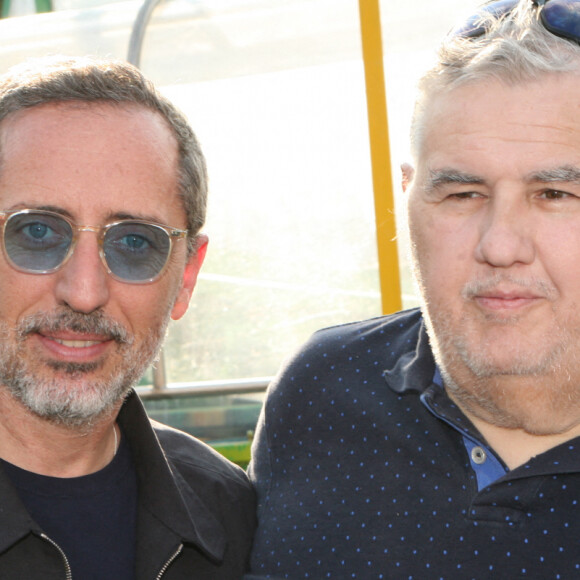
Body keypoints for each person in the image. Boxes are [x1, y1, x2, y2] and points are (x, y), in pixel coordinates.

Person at [246, 0, 580, 577]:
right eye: (462, 194)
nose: (501, 245)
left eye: (555, 194)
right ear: (406, 197)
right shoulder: (319, 392)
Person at [0, 55, 256, 578]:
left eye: (135, 243)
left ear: (185, 276)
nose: (85, 292)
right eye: (37, 233)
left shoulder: (231, 516)